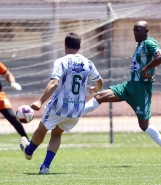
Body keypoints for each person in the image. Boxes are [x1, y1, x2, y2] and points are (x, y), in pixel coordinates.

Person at [82, 20, 161, 166]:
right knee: (100, 96)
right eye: (134, 30)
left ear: (147, 31)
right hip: (129, 86)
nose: (135, 33)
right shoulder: (140, 44)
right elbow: (149, 61)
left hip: (141, 89)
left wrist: (146, 69)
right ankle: (72, 114)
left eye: (139, 30)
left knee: (144, 125)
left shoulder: (149, 43)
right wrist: (148, 68)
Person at [19, 32, 103, 174]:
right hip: (76, 110)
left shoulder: (62, 61)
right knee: (57, 134)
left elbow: (54, 83)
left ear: (65, 45)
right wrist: (95, 89)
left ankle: (29, 151)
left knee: (42, 129)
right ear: (80, 46)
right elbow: (100, 82)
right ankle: (45, 167)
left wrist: (40, 101)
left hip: (59, 106)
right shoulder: (88, 63)